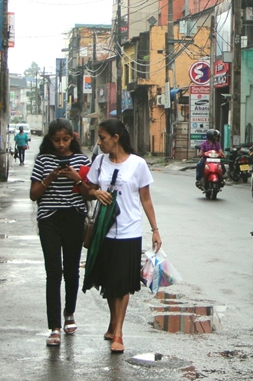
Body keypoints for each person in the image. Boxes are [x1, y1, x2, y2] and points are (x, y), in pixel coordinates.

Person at [84, 119, 162, 354]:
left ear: (115, 138)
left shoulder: (138, 164)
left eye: (103, 138)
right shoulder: (99, 162)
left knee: (122, 283)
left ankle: (118, 332)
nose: (100, 143)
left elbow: (146, 198)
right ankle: (112, 322)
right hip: (104, 230)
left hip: (129, 231)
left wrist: (155, 230)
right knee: (109, 282)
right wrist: (96, 192)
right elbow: (86, 188)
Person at [29, 118, 91, 347]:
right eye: (56, 140)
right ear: (50, 140)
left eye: (65, 139)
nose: (61, 145)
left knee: (72, 270)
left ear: (72, 138)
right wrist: (49, 178)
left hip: (75, 218)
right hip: (49, 220)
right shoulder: (43, 160)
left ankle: (70, 314)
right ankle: (54, 326)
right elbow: (34, 195)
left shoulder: (82, 160)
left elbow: (89, 193)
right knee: (53, 272)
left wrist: (77, 178)